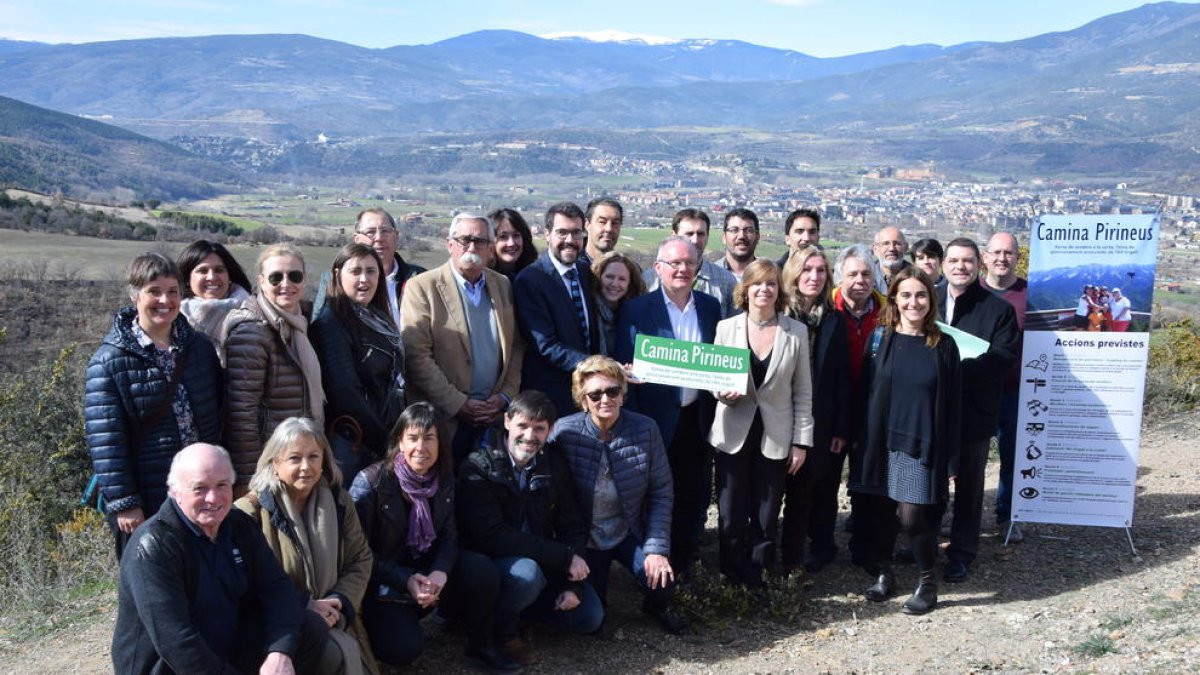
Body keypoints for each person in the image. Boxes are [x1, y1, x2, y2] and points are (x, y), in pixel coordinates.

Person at [112, 443, 333, 674]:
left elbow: (277, 588)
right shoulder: (154, 546)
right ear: (174, 491)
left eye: (221, 485)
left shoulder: (238, 525)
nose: (213, 498)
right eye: (199, 488)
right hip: (169, 666)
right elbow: (177, 643)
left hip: (223, 646)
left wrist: (280, 651)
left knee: (309, 629)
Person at [350, 403, 516, 671]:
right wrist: (405, 580)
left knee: (481, 570)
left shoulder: (443, 477)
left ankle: (481, 645)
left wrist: (440, 572)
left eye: (429, 438)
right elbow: (358, 554)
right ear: (399, 443)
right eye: (413, 438)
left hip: (426, 570)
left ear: (441, 443)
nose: (421, 448)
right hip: (382, 581)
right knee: (403, 648)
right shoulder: (371, 484)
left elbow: (450, 535)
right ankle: (377, 631)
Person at [86, 252, 222, 557]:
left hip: (200, 490)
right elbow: (106, 441)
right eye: (154, 291)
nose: (165, 300)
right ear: (135, 295)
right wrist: (126, 503)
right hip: (149, 495)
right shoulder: (109, 362)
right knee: (153, 583)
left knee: (204, 577)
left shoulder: (199, 348)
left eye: (173, 291)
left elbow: (218, 414)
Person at [457, 391, 604, 665]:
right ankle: (499, 633)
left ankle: (520, 613)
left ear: (549, 431)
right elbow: (493, 537)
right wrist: (562, 558)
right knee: (527, 573)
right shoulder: (477, 466)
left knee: (589, 617)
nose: (529, 435)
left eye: (539, 429)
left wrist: (574, 584)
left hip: (539, 560)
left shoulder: (554, 464)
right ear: (507, 421)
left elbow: (571, 523)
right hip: (487, 568)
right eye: (523, 426)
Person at [549, 356, 686, 634]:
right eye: (595, 394)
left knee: (662, 580)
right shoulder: (564, 432)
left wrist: (657, 549)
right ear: (582, 399)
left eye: (612, 391)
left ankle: (655, 607)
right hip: (586, 537)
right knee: (593, 619)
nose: (605, 399)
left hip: (628, 530)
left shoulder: (646, 429)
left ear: (623, 394)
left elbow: (661, 491)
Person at [236, 418, 378, 675]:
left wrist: (338, 603)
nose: (306, 467)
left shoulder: (339, 501)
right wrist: (305, 605)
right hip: (278, 624)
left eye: (314, 456)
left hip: (337, 617)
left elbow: (360, 559)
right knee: (333, 657)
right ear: (274, 463)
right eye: (294, 458)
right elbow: (244, 583)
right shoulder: (249, 512)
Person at [857, 268, 961, 615]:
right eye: (905, 295)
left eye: (920, 295)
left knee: (913, 515)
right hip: (881, 440)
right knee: (882, 513)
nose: (913, 302)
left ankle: (928, 581)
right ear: (894, 299)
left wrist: (951, 458)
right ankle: (886, 574)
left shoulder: (943, 345)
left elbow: (953, 404)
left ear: (931, 300)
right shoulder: (880, 338)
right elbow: (868, 391)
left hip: (921, 442)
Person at [616, 236, 721, 577]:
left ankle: (685, 565)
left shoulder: (709, 306)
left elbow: (717, 361)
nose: (682, 269)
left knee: (694, 496)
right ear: (658, 268)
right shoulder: (635, 309)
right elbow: (622, 363)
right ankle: (652, 571)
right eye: (674, 263)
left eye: (689, 263)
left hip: (697, 418)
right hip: (653, 421)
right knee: (654, 496)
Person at [708, 260, 814, 587]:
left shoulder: (795, 332)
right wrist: (721, 392)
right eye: (757, 284)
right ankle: (731, 578)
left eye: (771, 284)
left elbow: (803, 392)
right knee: (731, 511)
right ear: (746, 289)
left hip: (776, 435)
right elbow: (714, 378)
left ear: (779, 290)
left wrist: (801, 442)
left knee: (767, 514)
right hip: (732, 432)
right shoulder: (726, 328)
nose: (764, 290)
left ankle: (758, 580)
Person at [402, 213, 524, 464]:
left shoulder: (502, 285)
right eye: (464, 240)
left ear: (491, 248)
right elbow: (416, 355)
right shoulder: (422, 287)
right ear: (450, 244)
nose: (471, 247)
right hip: (444, 420)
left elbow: (516, 347)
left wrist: (504, 397)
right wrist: (458, 404)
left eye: (480, 241)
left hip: (492, 419)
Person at [938, 238, 1020, 584]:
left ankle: (961, 553)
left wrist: (952, 371)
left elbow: (1001, 359)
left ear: (978, 265)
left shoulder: (998, 310)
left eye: (967, 261)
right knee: (930, 481)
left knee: (970, 487)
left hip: (973, 411)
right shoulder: (926, 299)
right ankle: (923, 543)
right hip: (930, 409)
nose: (961, 267)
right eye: (954, 260)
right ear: (943, 263)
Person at [223, 243, 326, 494]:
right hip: (269, 465)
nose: (285, 283)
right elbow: (241, 414)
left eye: (294, 276)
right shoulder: (252, 330)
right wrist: (251, 479)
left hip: (295, 459)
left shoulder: (299, 324)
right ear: (260, 281)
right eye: (275, 277)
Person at [780, 245, 852, 573]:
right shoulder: (778, 315)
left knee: (819, 487)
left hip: (821, 419)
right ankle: (781, 553)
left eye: (821, 270)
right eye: (807, 269)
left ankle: (821, 546)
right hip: (778, 416)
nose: (814, 276)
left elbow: (841, 378)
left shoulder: (834, 320)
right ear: (794, 273)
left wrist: (840, 427)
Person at [311, 243, 406, 484]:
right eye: (355, 271)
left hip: (385, 431)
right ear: (336, 274)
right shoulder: (331, 323)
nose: (364, 279)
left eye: (371, 271)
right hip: (355, 442)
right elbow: (345, 393)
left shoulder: (376, 317)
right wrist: (387, 439)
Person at [514, 202, 601, 416]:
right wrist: (595, 366)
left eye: (576, 233)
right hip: (551, 394)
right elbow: (545, 345)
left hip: (587, 391)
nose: (570, 240)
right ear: (547, 234)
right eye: (562, 233)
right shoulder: (530, 280)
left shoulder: (584, 271)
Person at [831, 244, 886, 569]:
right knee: (826, 483)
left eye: (866, 274)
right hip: (835, 409)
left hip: (873, 410)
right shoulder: (827, 310)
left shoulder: (889, 312)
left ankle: (866, 548)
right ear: (841, 278)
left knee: (869, 483)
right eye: (852, 274)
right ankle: (822, 544)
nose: (860, 281)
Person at [981, 232, 1028, 539]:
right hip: (976, 392)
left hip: (1015, 391)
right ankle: (958, 514)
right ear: (985, 256)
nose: (1002, 258)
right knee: (964, 460)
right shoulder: (972, 291)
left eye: (1008, 253)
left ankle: (1006, 516)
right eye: (996, 252)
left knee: (1012, 457)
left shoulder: (1030, 294)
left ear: (1017, 257)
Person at [644, 209, 738, 318]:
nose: (695, 240)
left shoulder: (726, 281)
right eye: (689, 234)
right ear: (673, 236)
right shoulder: (650, 279)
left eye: (701, 234)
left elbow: (735, 326)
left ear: (707, 236)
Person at [352, 207, 426, 327]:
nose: (379, 238)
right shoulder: (337, 281)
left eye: (385, 231)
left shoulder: (420, 278)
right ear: (356, 239)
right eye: (370, 232)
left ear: (396, 236)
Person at [177, 239, 254, 344]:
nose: (212, 277)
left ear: (229, 275)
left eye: (219, 270)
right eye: (203, 271)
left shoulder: (254, 313)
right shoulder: (173, 320)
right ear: (187, 279)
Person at [590, 251, 646, 357]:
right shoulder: (587, 310)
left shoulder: (636, 315)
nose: (615, 284)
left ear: (630, 284)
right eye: (610, 277)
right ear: (599, 277)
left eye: (622, 279)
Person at [488, 207, 538, 282]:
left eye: (516, 235)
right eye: (503, 236)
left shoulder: (535, 277)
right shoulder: (483, 280)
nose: (511, 243)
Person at [580, 197, 623, 268]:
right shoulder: (572, 269)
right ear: (587, 225)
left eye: (615, 223)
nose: (609, 229)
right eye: (602, 222)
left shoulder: (627, 272)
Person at [721, 207, 762, 280]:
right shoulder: (709, 275)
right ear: (724, 237)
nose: (741, 236)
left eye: (749, 230)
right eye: (734, 230)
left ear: (757, 237)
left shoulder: (770, 276)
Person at [872, 226, 911, 293]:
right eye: (886, 244)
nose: (891, 249)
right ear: (875, 249)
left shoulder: (916, 277)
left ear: (906, 248)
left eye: (897, 244)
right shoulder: (866, 277)